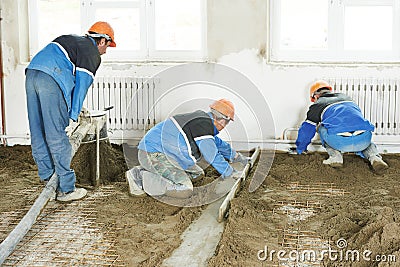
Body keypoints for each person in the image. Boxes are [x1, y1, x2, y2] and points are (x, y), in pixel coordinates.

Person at [25, 21, 116, 201]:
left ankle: (48, 184)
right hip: (51, 79)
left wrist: (74, 107)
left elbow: (68, 76)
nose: (106, 50)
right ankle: (66, 189)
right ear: (103, 41)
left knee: (38, 131)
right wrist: (73, 115)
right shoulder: (92, 54)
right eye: (108, 45)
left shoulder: (71, 40)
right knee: (56, 134)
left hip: (32, 75)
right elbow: (81, 85)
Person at [126, 99, 250, 198]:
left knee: (197, 174)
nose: (225, 126)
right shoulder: (203, 124)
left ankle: (152, 173)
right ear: (220, 119)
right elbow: (212, 154)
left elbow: (219, 144)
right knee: (185, 189)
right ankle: (139, 177)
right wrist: (230, 173)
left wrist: (238, 157)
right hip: (153, 153)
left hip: (167, 155)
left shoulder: (203, 122)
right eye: (226, 122)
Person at [295, 80, 388, 171]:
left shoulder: (318, 104)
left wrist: (300, 149)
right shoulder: (347, 98)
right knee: (362, 134)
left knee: (321, 127)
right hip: (364, 139)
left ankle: (335, 157)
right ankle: (374, 157)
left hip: (339, 141)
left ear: (315, 96)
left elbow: (306, 130)